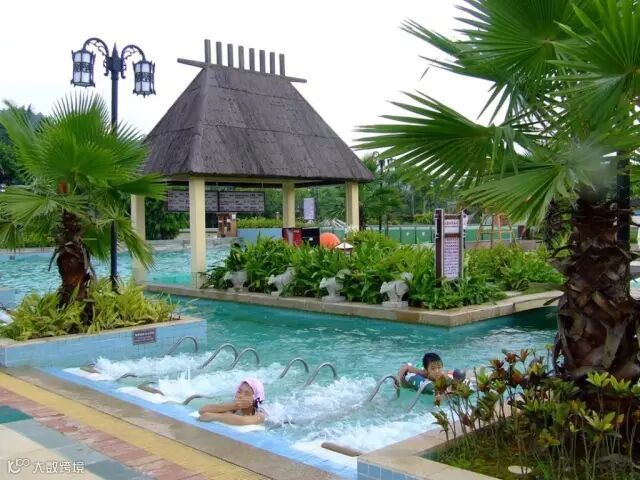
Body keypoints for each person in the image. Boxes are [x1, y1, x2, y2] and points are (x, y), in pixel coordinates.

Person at [198, 378, 266, 425]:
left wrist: (215, 416)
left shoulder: (260, 413)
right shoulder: (234, 406)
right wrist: (233, 406)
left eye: (247, 394)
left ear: (255, 399)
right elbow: (202, 410)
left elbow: (243, 420)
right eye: (239, 391)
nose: (240, 396)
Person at [397, 353, 464, 395]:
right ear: (426, 370)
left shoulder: (443, 375)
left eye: (439, 367)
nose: (437, 371)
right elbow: (406, 367)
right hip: (413, 381)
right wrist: (398, 379)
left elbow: (453, 383)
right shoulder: (423, 373)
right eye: (433, 368)